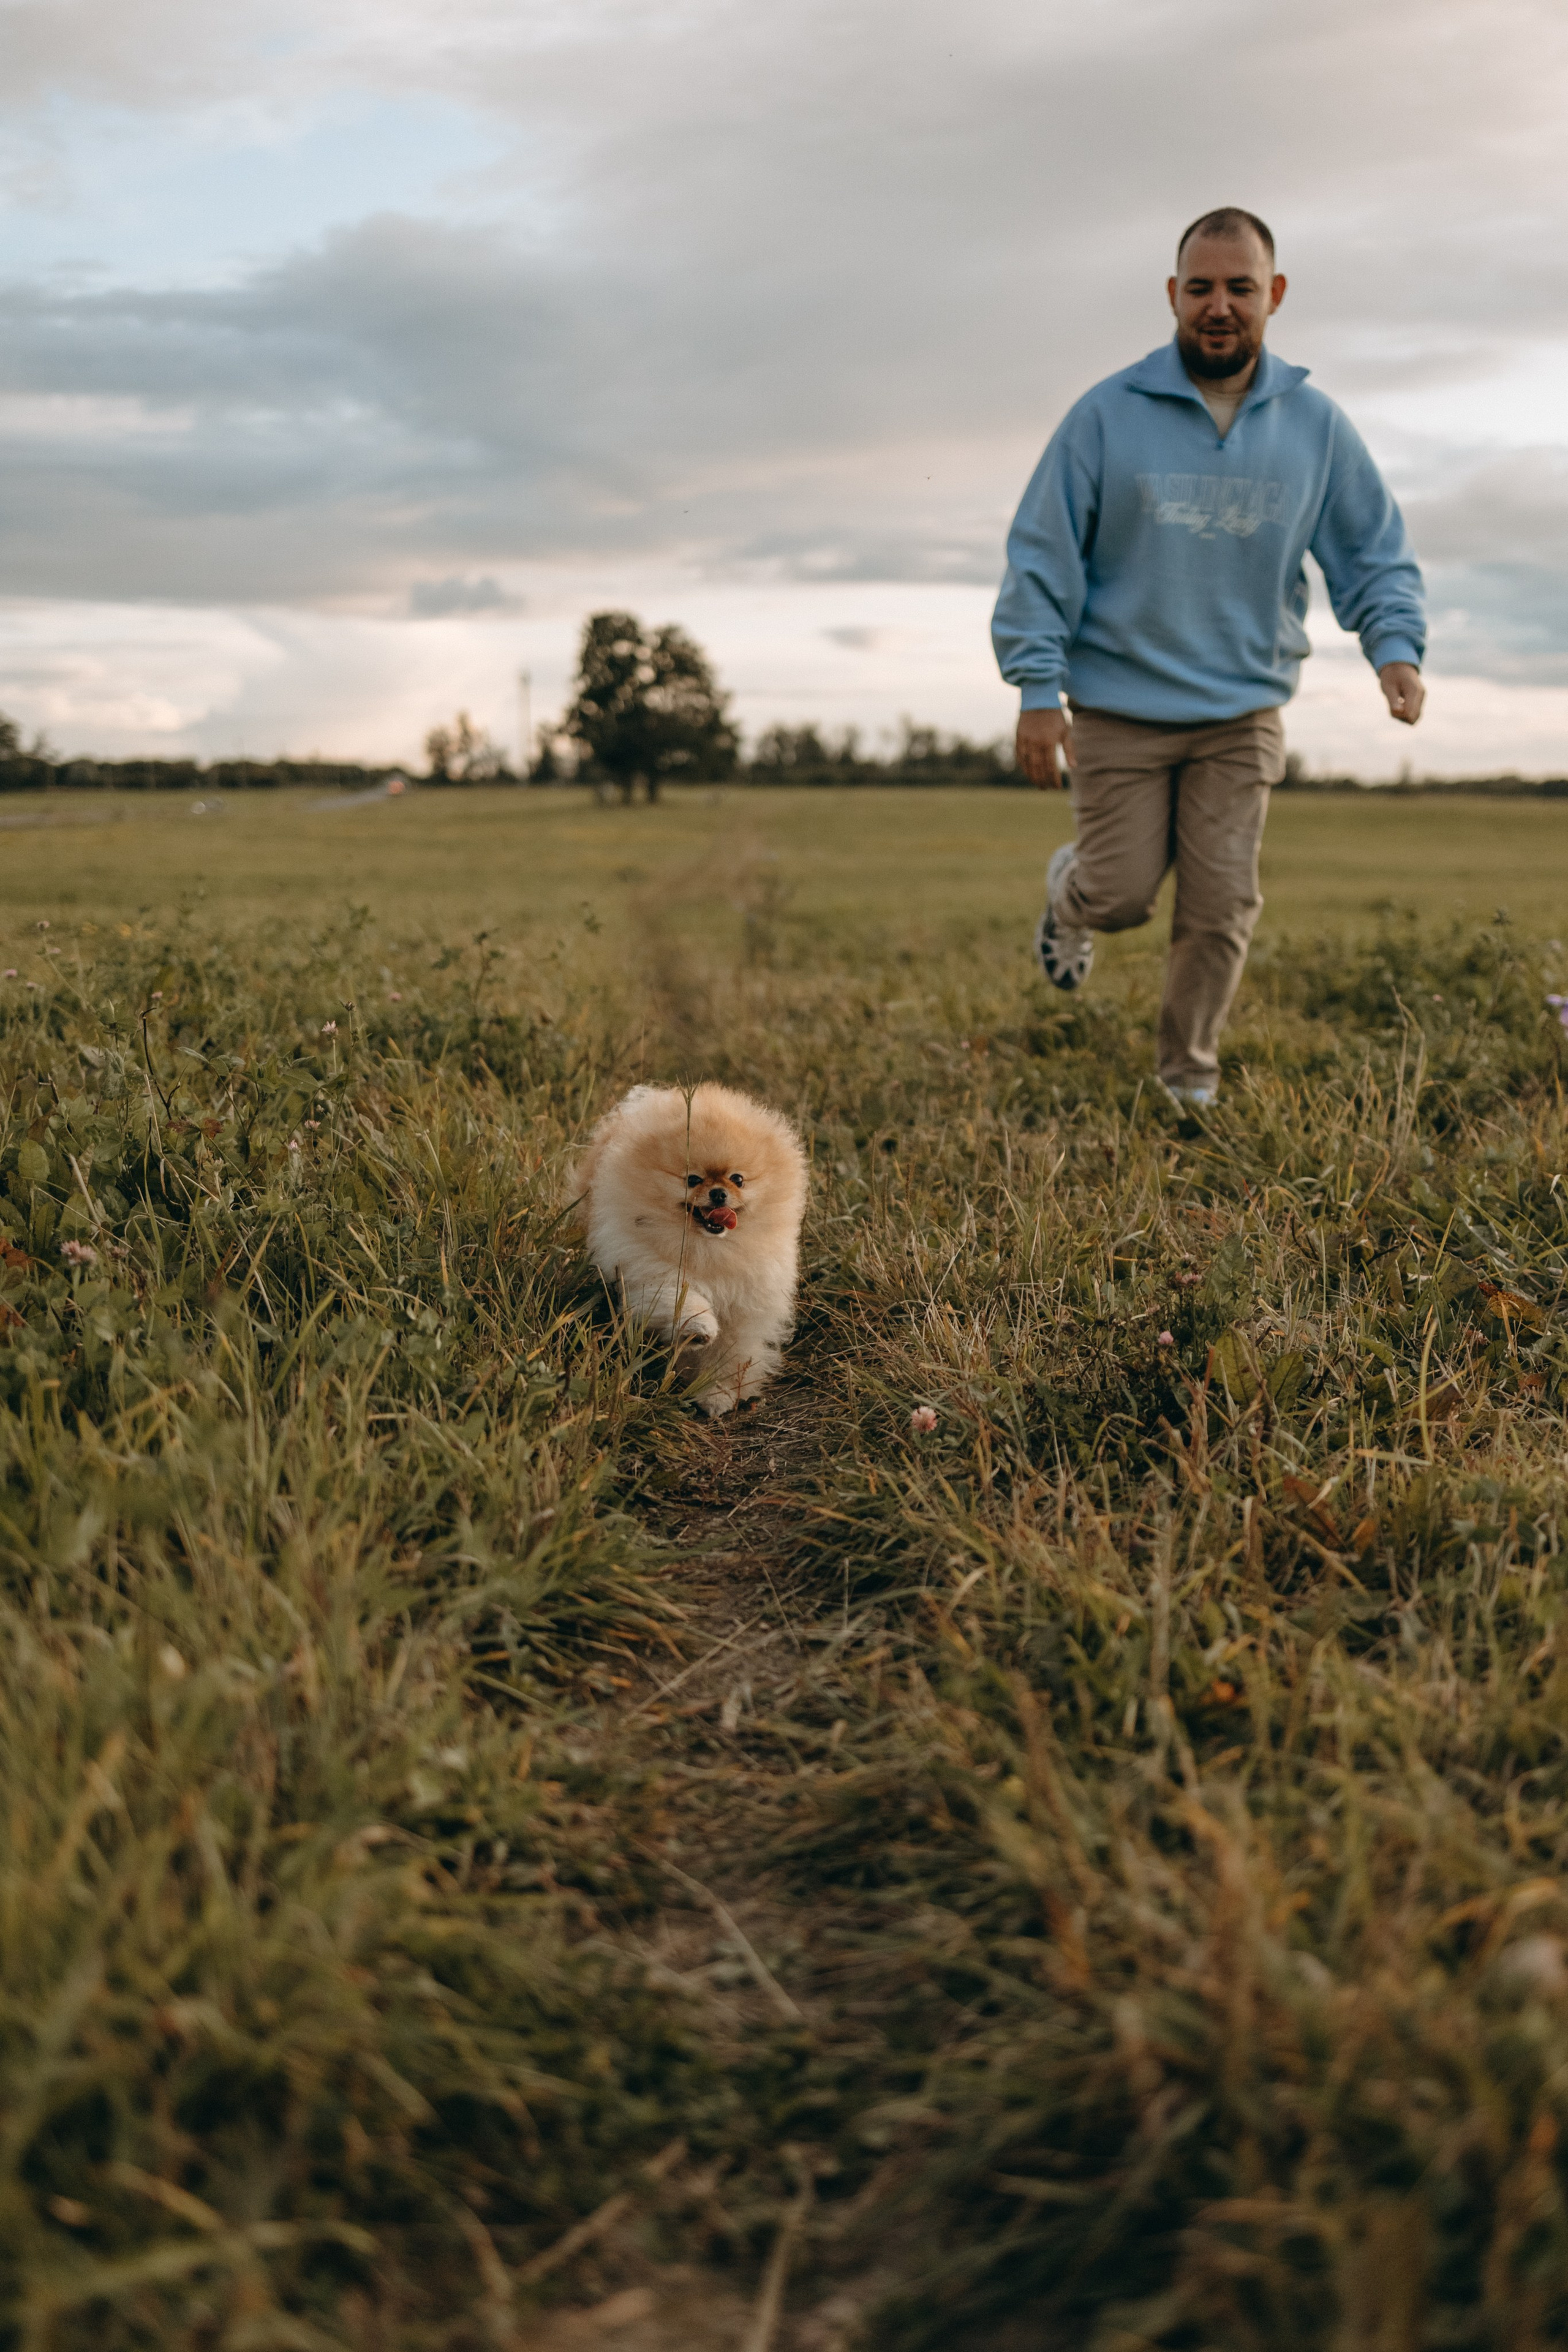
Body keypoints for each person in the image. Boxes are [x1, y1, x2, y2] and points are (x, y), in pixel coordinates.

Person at [992, 206, 1425, 1107]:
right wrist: (1039, 686)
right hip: (1118, 709)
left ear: (1273, 295)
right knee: (1120, 896)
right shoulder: (1106, 415)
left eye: (1238, 287)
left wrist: (1394, 647)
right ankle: (1070, 898)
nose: (1218, 306)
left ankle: (1186, 1081)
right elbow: (1044, 552)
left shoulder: (1315, 426)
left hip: (1242, 712)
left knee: (1220, 907)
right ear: (1172, 296)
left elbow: (1371, 549)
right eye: (1200, 288)